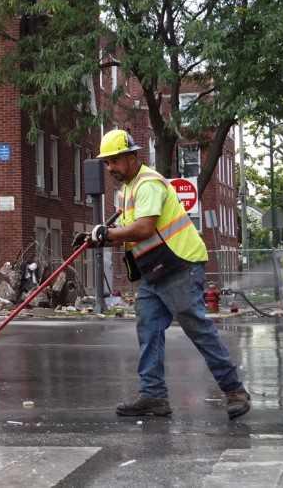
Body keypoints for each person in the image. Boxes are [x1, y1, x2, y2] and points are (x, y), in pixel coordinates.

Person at [75, 129, 250, 420]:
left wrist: (106, 235)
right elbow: (127, 234)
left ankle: (234, 390)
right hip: (155, 270)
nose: (110, 168)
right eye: (106, 163)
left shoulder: (149, 184)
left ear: (131, 157)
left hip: (180, 264)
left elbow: (144, 228)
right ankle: (153, 396)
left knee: (197, 328)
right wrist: (94, 236)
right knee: (149, 329)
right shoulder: (127, 190)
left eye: (114, 161)